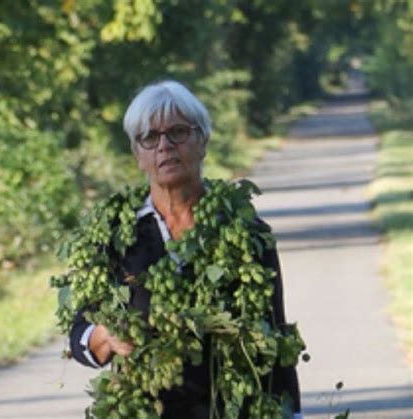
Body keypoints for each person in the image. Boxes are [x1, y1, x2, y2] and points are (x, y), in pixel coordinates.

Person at [69, 80, 303, 418]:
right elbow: (79, 333)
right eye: (149, 137)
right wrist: (105, 337)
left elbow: (274, 337)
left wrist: (291, 415)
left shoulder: (245, 233)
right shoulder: (116, 236)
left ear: (202, 141)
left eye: (177, 132)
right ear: (138, 155)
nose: (164, 146)